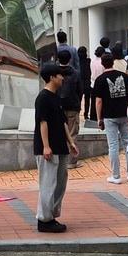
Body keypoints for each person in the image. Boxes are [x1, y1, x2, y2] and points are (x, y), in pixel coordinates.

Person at [34, 62, 77, 232]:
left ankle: (52, 215)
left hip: (60, 146)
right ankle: (44, 220)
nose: (62, 78)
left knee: (60, 182)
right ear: (52, 77)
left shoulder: (56, 97)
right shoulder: (43, 98)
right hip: (48, 148)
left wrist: (71, 142)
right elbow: (42, 122)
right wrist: (46, 146)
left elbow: (63, 122)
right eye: (60, 75)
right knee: (48, 183)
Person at [93, 47, 128, 184]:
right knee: (127, 143)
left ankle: (116, 175)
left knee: (113, 145)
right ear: (113, 62)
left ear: (102, 63)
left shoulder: (100, 80)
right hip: (124, 113)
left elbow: (98, 101)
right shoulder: (124, 76)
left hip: (109, 115)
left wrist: (99, 118)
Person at [57, 48, 84, 166]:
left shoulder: (55, 73)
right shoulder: (75, 73)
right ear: (70, 59)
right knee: (72, 133)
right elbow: (80, 91)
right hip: (73, 106)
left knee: (59, 132)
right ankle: (72, 161)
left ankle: (60, 160)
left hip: (58, 107)